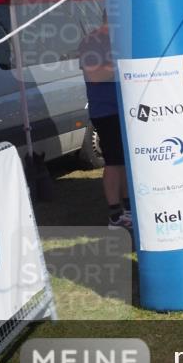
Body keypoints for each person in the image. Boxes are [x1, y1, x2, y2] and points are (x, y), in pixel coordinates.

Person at [78, 15, 131, 231]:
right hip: (106, 111)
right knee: (114, 161)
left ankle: (128, 208)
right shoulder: (91, 42)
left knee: (125, 160)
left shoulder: (120, 39)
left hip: (125, 109)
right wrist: (121, 64)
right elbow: (95, 76)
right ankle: (115, 214)